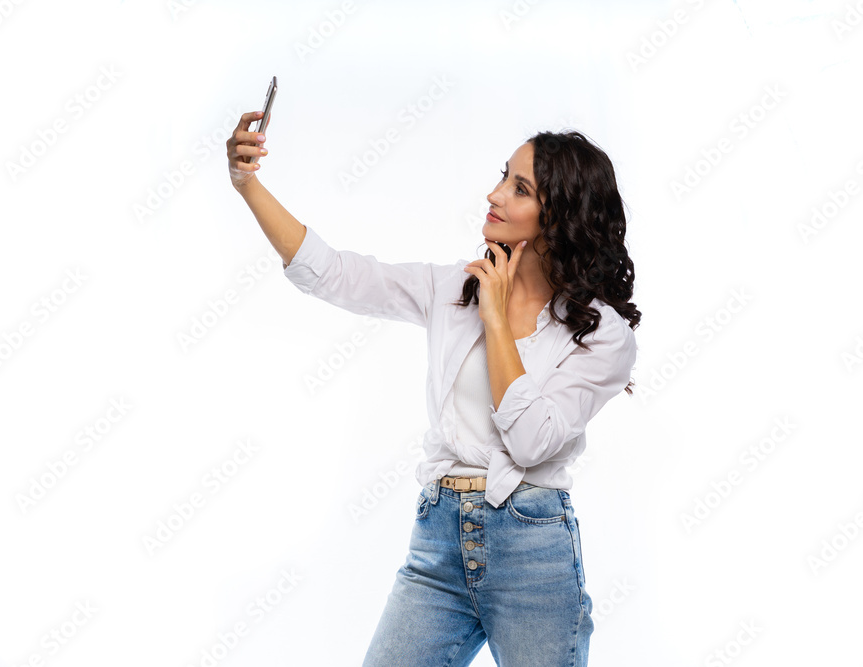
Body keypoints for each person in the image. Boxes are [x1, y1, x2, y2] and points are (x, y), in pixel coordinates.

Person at [226, 110, 640, 666]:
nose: (494, 194)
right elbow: (334, 273)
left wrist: (496, 321)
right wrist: (248, 184)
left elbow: (531, 443)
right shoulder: (452, 287)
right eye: (503, 176)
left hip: (532, 554)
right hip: (438, 544)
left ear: (559, 215)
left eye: (519, 188)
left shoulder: (600, 334)